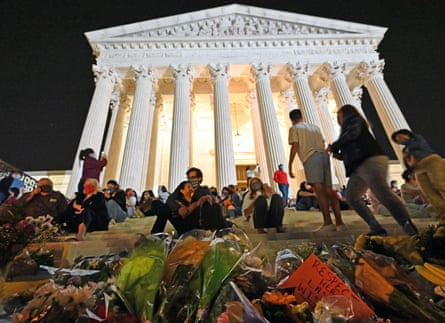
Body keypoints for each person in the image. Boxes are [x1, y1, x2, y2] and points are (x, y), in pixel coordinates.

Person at [327, 104, 418, 235]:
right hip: (359, 165)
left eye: (338, 116)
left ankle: (409, 228)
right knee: (351, 197)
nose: (337, 120)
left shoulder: (354, 121)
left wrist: (334, 146)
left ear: (344, 114)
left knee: (383, 194)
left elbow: (352, 135)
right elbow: (351, 149)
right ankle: (376, 227)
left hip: (370, 160)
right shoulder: (348, 128)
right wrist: (339, 155)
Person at [288, 109, 346, 231]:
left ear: (292, 120)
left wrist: (290, 165)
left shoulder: (295, 128)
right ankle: (340, 222)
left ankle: (328, 222)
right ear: (301, 116)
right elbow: (323, 142)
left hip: (310, 156)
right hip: (323, 156)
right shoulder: (315, 127)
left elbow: (295, 146)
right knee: (329, 190)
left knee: (319, 191)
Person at [150, 167, 231, 236]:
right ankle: (156, 234)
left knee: (213, 207)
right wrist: (178, 208)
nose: (190, 180)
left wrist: (199, 202)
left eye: (193, 177)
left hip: (196, 224)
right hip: (181, 221)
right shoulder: (183, 186)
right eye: (189, 178)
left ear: (199, 178)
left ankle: (223, 231)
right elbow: (170, 200)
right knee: (163, 207)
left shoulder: (204, 190)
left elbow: (212, 203)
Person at [391, 129, 445, 216]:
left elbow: (419, 145)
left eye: (401, 137)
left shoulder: (417, 138)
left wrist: (408, 152)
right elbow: (407, 162)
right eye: (398, 140)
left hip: (431, 160)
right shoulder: (405, 150)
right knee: (428, 192)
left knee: (440, 184)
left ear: (407, 134)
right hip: (418, 168)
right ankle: (443, 213)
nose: (401, 140)